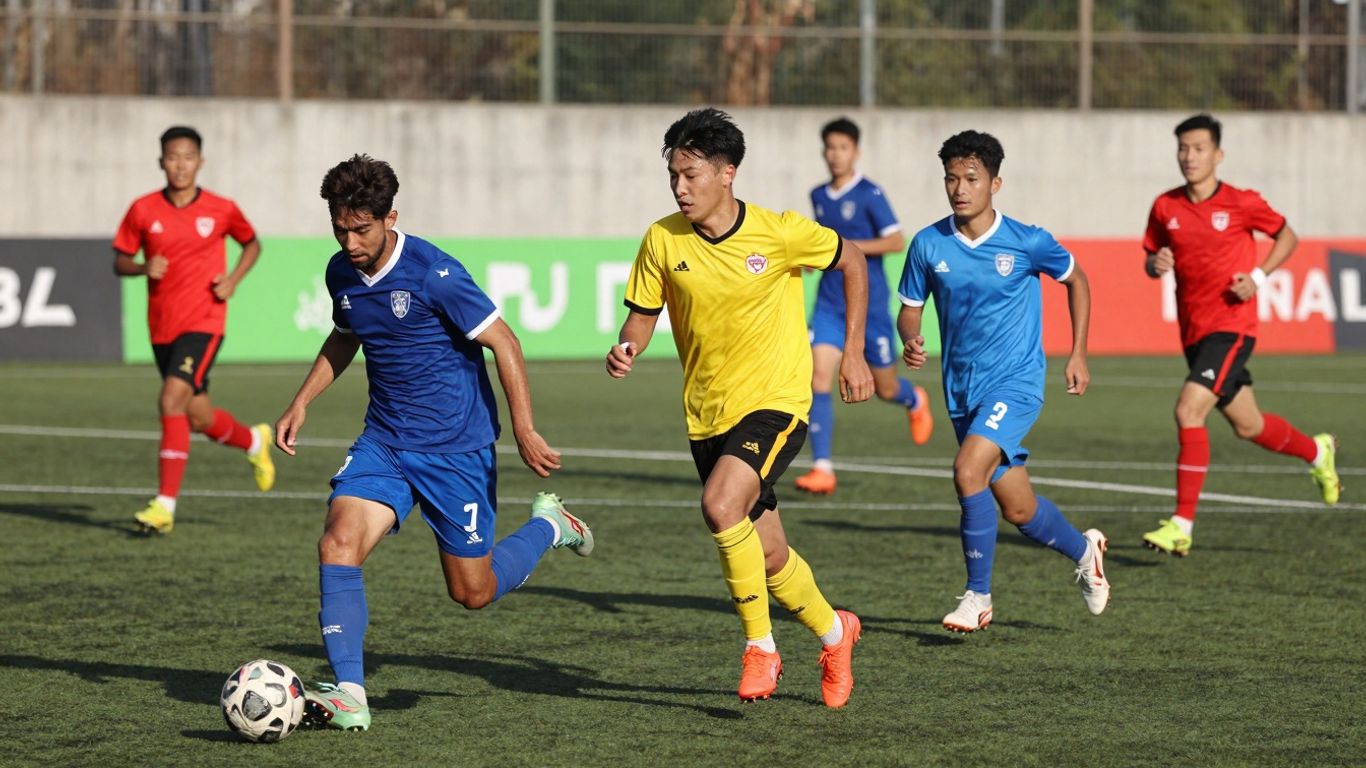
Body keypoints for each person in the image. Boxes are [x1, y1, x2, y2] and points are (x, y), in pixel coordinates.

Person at [274, 155, 593, 732]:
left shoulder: (433, 272)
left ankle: (550, 526)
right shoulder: (340, 273)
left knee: (472, 593)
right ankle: (350, 694)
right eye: (340, 227)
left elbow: (505, 342)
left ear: (391, 217)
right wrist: (303, 400)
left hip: (457, 451)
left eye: (362, 228)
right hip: (386, 444)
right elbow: (346, 335)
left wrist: (523, 428)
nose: (349, 241)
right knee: (337, 544)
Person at [606, 108, 870, 708]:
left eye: (691, 174)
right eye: (674, 174)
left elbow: (851, 260)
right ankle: (836, 633)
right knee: (769, 553)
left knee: (720, 505)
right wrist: (627, 346)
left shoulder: (777, 233)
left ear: (727, 172)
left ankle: (761, 649)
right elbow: (642, 317)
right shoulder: (661, 238)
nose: (680, 187)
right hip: (706, 415)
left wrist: (852, 350)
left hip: (776, 403)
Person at [897, 130, 1110, 633]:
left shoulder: (1027, 241)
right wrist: (911, 338)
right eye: (951, 178)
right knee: (1019, 508)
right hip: (961, 392)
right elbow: (909, 310)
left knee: (967, 471)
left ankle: (978, 597)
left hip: (1016, 384)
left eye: (971, 178)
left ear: (996, 183)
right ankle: (1086, 552)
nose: (959, 188)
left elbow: (1077, 280)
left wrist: (1078, 351)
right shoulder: (928, 244)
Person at [1140, 113, 1341, 557]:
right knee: (1249, 425)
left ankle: (1181, 524)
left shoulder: (1241, 202)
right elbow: (1152, 257)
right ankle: (1316, 452)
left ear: (1218, 154)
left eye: (1198, 149)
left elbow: (1287, 236)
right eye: (1183, 149)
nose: (1189, 157)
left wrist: (1258, 275)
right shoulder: (1165, 207)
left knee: (1188, 410)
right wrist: (1155, 265)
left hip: (1232, 328)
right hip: (1193, 334)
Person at [113, 125, 275, 535]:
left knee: (171, 400)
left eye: (188, 157)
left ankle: (164, 506)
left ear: (200, 162)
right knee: (198, 416)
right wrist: (141, 267)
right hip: (162, 328)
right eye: (172, 157)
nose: (180, 165)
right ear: (161, 162)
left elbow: (252, 243)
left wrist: (234, 279)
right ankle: (255, 442)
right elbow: (119, 260)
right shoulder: (142, 209)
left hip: (205, 322)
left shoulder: (221, 208)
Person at [793, 117, 933, 496]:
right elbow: (824, 244)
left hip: (867, 306)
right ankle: (823, 468)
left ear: (856, 152)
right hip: (828, 303)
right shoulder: (818, 195)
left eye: (842, 147)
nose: (835, 155)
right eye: (829, 148)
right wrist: (814, 256)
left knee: (885, 388)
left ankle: (913, 398)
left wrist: (845, 248)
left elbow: (895, 241)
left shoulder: (870, 194)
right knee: (818, 377)